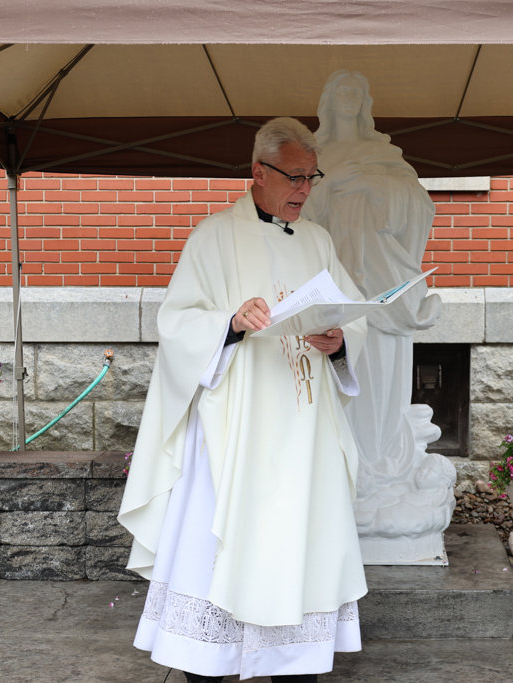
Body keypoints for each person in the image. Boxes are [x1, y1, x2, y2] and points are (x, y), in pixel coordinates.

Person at [117, 117, 368, 683]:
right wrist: (229, 323)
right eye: (295, 177)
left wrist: (339, 340)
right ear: (258, 172)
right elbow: (176, 323)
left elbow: (350, 313)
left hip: (304, 427)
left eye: (312, 178)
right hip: (237, 425)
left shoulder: (319, 241)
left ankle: (290, 657)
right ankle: (207, 663)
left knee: (297, 541)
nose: (305, 190)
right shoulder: (213, 237)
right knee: (218, 544)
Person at [302, 70, 455, 562]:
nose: (347, 99)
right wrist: (332, 188)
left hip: (384, 287)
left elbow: (419, 207)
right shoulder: (315, 159)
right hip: (334, 285)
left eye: (355, 92)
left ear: (365, 103)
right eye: (338, 91)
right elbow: (298, 215)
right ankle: (339, 473)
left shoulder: (388, 159)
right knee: (333, 378)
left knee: (383, 376)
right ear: (327, 103)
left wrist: (374, 185)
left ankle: (384, 465)